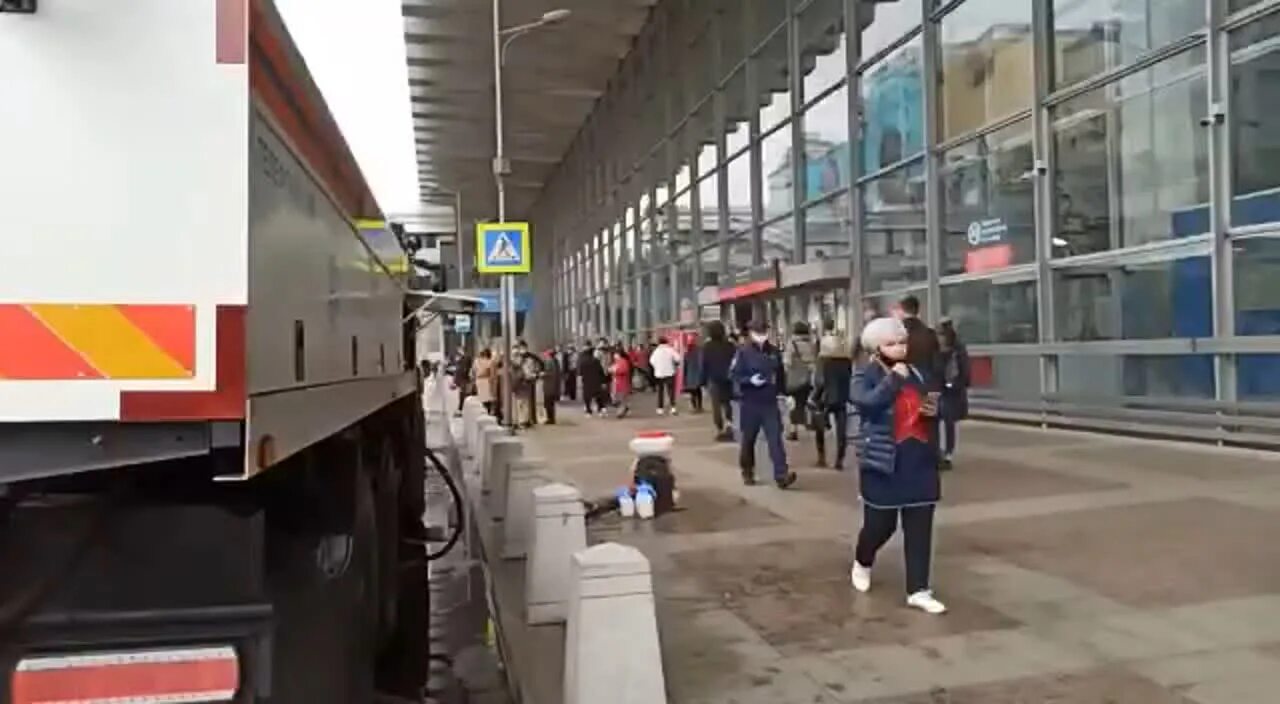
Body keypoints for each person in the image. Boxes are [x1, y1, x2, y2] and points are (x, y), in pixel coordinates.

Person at [849, 317, 946, 615]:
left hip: (919, 459)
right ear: (875, 347)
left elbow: (933, 402)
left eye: (901, 342)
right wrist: (894, 380)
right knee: (880, 524)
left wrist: (933, 407)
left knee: (920, 526)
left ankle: (918, 589)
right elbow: (866, 402)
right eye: (890, 344)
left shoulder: (919, 372)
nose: (899, 348)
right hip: (884, 462)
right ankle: (863, 561)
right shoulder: (865, 374)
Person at [730, 321, 797, 489]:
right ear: (751, 333)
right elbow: (734, 375)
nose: (762, 336)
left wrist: (785, 394)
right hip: (750, 402)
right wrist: (748, 381)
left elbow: (780, 374)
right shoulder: (743, 353)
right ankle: (747, 470)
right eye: (758, 332)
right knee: (748, 440)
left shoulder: (774, 352)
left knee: (775, 439)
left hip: (769, 402)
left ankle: (781, 475)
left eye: (764, 331)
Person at [813, 317, 853, 469]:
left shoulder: (823, 361)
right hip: (842, 397)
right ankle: (839, 460)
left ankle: (821, 457)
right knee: (842, 429)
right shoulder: (846, 361)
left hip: (825, 397)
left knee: (819, 426)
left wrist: (816, 395)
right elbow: (850, 378)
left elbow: (819, 381)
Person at [937, 318, 970, 470]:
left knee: (948, 421)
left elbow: (964, 372)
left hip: (950, 391)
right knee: (937, 421)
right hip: (941, 389)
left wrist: (956, 385)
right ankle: (940, 453)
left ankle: (947, 454)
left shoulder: (956, 350)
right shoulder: (939, 349)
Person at [895, 294, 942, 389]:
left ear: (901, 310)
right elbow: (937, 361)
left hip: (904, 384)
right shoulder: (930, 333)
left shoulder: (896, 333)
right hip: (927, 383)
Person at [701, 321, 737, 442]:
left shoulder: (707, 347)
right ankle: (730, 425)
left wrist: (703, 381)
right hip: (729, 378)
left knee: (716, 405)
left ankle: (719, 429)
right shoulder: (730, 345)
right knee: (728, 403)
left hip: (714, 379)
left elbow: (704, 365)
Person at [784, 321, 817, 442]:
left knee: (793, 404)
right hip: (807, 378)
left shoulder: (792, 343)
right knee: (804, 403)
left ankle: (793, 431)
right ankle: (809, 423)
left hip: (794, 379)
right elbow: (814, 361)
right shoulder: (811, 343)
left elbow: (787, 362)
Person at [650, 336, 682, 415]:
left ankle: (660, 409)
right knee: (671, 391)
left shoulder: (656, 351)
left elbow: (651, 361)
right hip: (669, 372)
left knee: (660, 391)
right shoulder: (670, 350)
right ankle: (673, 408)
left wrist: (657, 367)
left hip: (659, 374)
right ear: (666, 342)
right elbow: (678, 358)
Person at [577, 345, 607, 417]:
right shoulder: (596, 361)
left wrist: (580, 383)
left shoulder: (583, 362)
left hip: (587, 382)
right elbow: (601, 372)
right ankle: (600, 410)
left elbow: (580, 373)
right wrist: (603, 382)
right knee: (598, 397)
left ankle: (588, 411)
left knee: (587, 397)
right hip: (596, 381)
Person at [682, 333, 705, 413]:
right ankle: (699, 406)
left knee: (692, 392)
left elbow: (685, 365)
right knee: (698, 391)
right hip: (697, 374)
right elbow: (702, 362)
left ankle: (695, 407)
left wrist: (684, 377)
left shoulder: (687, 352)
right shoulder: (699, 350)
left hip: (690, 375)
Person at [609, 347, 632, 418]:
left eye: (615, 354)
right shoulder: (617, 362)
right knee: (617, 397)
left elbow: (624, 370)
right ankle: (624, 408)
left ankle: (621, 412)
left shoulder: (623, 361)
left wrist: (614, 370)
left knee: (621, 398)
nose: (614, 356)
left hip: (622, 382)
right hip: (616, 382)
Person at [472, 349, 495, 416]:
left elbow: (473, 371)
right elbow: (491, 373)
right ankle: (487, 411)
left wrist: (475, 378)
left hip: (479, 380)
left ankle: (484, 411)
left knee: (482, 398)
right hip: (486, 381)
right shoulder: (490, 362)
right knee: (487, 397)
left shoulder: (476, 361)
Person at [541, 349, 561, 425]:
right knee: (551, 404)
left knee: (548, 403)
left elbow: (547, 373)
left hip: (549, 386)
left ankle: (550, 419)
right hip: (553, 386)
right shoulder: (556, 362)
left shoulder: (549, 362)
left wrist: (541, 374)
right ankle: (552, 418)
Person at [452, 349, 473, 415]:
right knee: (463, 394)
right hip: (463, 380)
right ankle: (461, 409)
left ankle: (460, 409)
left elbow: (464, 370)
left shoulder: (465, 359)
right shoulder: (463, 360)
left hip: (464, 380)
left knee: (463, 394)